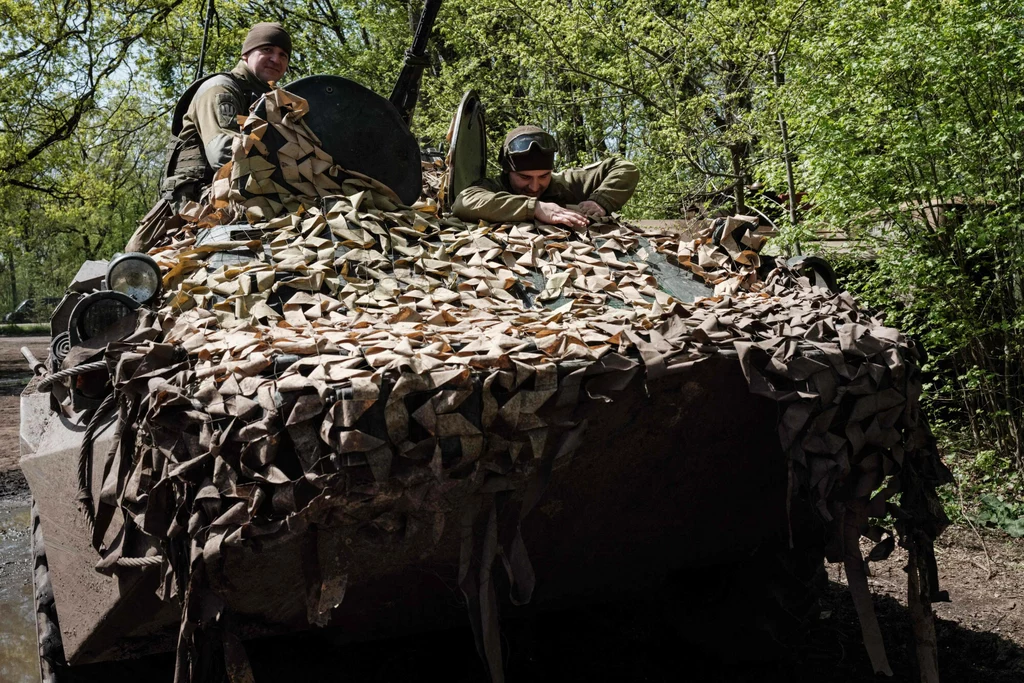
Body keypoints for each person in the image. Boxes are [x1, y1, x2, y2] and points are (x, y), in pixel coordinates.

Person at [161, 21, 292, 204]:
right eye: (267, 50)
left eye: (283, 55)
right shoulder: (221, 88)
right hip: (200, 197)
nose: (276, 60)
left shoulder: (279, 103)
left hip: (250, 190)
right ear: (246, 54)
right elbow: (223, 154)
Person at [452, 126, 639, 229]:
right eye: (524, 177)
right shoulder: (494, 186)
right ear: (508, 171)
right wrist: (534, 208)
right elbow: (464, 201)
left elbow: (624, 168)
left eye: (543, 176)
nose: (534, 187)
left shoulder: (564, 184)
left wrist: (601, 201)